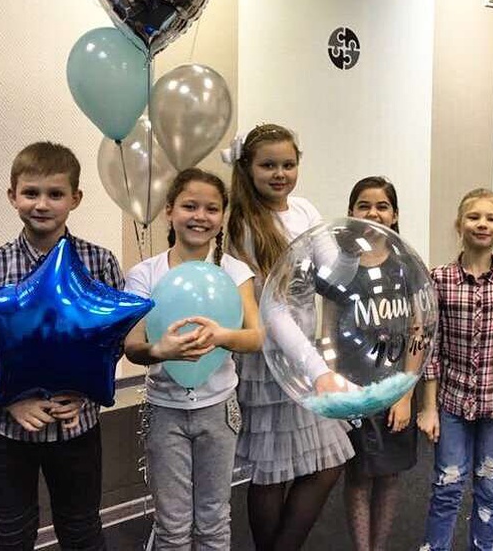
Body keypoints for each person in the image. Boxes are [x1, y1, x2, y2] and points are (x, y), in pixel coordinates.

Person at [0, 141, 124, 550]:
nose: (42, 204)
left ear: (75, 198)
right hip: (4, 429)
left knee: (82, 530)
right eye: (31, 193)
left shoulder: (99, 262)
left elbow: (113, 341)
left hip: (76, 425)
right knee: (12, 535)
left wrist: (84, 394)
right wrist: (10, 398)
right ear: (13, 196)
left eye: (55, 194)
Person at [227, 123, 354, 551]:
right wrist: (317, 370)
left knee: (325, 463)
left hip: (305, 351)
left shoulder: (303, 208)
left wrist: (354, 252)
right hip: (271, 355)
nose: (280, 174)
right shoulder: (244, 223)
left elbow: (332, 275)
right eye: (268, 165)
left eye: (288, 164)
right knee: (272, 471)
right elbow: (272, 310)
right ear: (248, 167)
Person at [123, 167, 262, 551]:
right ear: (169, 211)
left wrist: (222, 336)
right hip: (164, 411)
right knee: (172, 524)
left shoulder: (234, 271)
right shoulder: (144, 274)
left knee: (214, 520)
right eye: (189, 206)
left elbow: (256, 337)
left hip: (219, 411)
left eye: (211, 209)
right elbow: (132, 345)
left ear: (222, 216)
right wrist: (159, 351)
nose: (200, 216)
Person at [417, 188, 493, 551]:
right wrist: (429, 407)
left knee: (489, 486)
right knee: (447, 485)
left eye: (491, 218)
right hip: (453, 402)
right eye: (474, 217)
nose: (482, 224)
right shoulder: (439, 279)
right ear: (459, 224)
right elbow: (431, 349)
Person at [342, 176, 419, 551]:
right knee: (358, 474)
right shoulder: (342, 266)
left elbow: (419, 331)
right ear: (351, 212)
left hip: (395, 386)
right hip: (354, 387)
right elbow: (327, 327)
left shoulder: (407, 265)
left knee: (389, 475)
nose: (373, 213)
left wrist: (405, 395)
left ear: (395, 215)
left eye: (382, 206)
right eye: (364, 205)